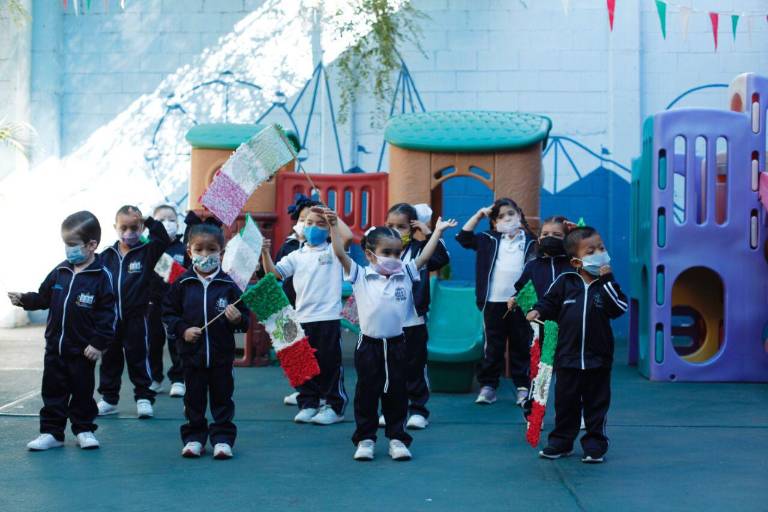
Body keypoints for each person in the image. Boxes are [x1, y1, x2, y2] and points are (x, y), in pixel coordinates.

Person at [329, 209, 457, 462]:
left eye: (397, 253)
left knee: (397, 393)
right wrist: (333, 225)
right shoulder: (360, 275)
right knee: (367, 393)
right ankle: (365, 439)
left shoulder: (406, 274)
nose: (394, 258)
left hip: (398, 345)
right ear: (369, 254)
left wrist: (438, 232)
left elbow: (426, 256)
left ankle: (397, 439)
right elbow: (340, 253)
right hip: (369, 345)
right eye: (387, 253)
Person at [8, 211, 116, 451]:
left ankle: (84, 429)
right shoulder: (61, 271)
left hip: (83, 351)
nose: (68, 250)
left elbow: (109, 315)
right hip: (55, 347)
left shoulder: (102, 276)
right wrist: (26, 299)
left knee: (82, 393)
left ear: (91, 245)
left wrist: (98, 343)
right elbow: (44, 297)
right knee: (53, 392)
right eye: (65, 244)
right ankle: (52, 433)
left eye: (72, 245)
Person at [527, 226, 627, 464]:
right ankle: (561, 441)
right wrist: (538, 309)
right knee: (565, 403)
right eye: (591, 251)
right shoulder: (565, 283)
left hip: (598, 359)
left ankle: (595, 444)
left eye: (601, 248)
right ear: (576, 262)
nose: (600, 254)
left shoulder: (607, 286)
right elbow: (549, 302)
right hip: (567, 357)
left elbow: (619, 308)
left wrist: (608, 279)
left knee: (596, 404)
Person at [162, 223, 249, 459]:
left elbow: (245, 321)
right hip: (191, 356)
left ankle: (222, 439)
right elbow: (168, 313)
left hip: (221, 357)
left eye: (211, 250)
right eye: (199, 249)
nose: (205, 255)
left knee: (222, 399)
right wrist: (182, 330)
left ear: (221, 253)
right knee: (194, 400)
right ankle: (194, 438)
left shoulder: (229, 285)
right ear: (189, 252)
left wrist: (237, 318)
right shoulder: (181, 284)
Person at [261, 205, 354, 426]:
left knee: (330, 364)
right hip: (301, 318)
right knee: (304, 364)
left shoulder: (333, 251)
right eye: (309, 223)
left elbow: (348, 236)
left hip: (328, 318)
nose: (313, 227)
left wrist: (332, 218)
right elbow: (273, 273)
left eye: (320, 224)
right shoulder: (296, 255)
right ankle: (309, 403)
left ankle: (334, 406)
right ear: (301, 226)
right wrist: (265, 253)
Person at [456, 198, 537, 406]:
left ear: (519, 214)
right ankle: (489, 386)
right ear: (494, 223)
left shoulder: (531, 241)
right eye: (501, 216)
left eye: (511, 213)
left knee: (521, 344)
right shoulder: (487, 239)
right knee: (493, 346)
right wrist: (479, 215)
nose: (507, 218)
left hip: (522, 301)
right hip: (493, 301)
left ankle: (523, 387)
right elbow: (463, 238)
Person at [97, 205, 170, 419]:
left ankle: (144, 398)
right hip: (111, 320)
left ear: (141, 228)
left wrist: (149, 220)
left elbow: (163, 239)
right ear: (115, 227)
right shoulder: (105, 256)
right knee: (109, 360)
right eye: (124, 227)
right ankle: (109, 400)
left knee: (139, 357)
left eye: (134, 227)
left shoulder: (147, 252)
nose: (129, 232)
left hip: (137, 318)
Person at [381, 202, 449, 430]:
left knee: (414, 368)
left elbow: (441, 259)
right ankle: (391, 410)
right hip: (387, 321)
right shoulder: (380, 250)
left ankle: (418, 410)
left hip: (413, 321)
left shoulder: (421, 249)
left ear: (412, 228)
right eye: (390, 225)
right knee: (390, 369)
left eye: (400, 226)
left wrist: (429, 232)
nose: (394, 230)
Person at [274, 195, 322, 407]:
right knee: (295, 352)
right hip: (289, 306)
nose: (307, 225)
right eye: (304, 220)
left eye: (313, 221)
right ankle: (303, 390)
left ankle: (320, 392)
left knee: (317, 352)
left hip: (314, 307)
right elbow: (276, 271)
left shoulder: (326, 248)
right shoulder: (289, 246)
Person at [147, 204, 186, 397]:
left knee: (175, 340)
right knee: (153, 341)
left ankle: (178, 379)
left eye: (171, 220)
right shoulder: (149, 247)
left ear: (178, 224)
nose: (167, 223)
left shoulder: (184, 247)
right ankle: (155, 378)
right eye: (161, 220)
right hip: (153, 301)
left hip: (176, 303)